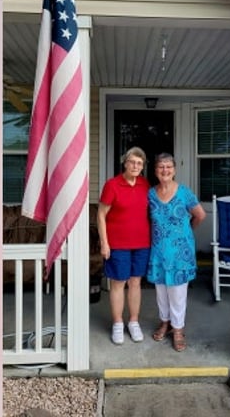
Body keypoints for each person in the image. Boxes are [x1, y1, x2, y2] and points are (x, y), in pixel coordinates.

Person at [146, 153, 206, 352]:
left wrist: (185, 232)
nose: (165, 170)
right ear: (155, 171)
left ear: (174, 169)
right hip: (158, 251)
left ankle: (178, 328)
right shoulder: (150, 194)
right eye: (161, 167)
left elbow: (200, 215)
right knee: (161, 291)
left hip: (180, 252)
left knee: (178, 293)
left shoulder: (184, 193)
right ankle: (165, 322)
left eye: (168, 167)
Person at [97, 146, 151, 345]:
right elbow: (101, 214)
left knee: (135, 282)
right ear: (125, 163)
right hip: (118, 244)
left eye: (140, 163)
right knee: (118, 283)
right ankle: (118, 323)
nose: (136, 166)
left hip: (141, 242)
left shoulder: (145, 185)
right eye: (132, 162)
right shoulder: (112, 185)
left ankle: (133, 322)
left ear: (143, 166)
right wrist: (104, 242)